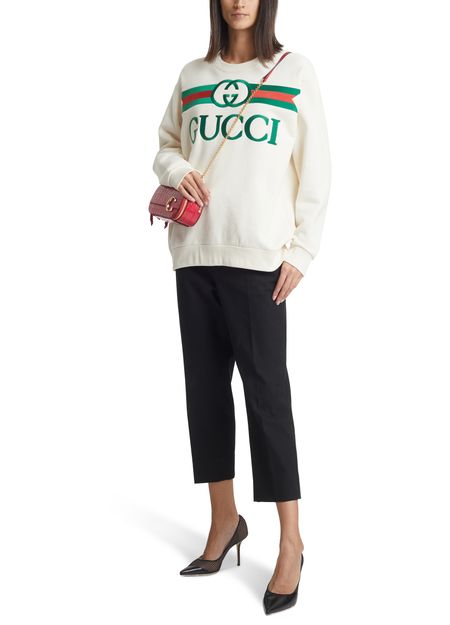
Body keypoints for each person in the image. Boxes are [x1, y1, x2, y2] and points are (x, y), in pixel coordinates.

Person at [151, 0, 331, 615]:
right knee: (205, 392)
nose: (238, 0)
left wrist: (302, 250)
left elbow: (316, 169)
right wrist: (177, 166)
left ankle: (291, 540)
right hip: (195, 253)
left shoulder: (293, 70)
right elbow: (166, 145)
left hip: (259, 261)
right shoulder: (193, 74)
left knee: (267, 400)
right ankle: (224, 519)